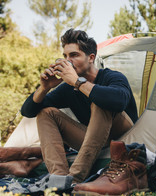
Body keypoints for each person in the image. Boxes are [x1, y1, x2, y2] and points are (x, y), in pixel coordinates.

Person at [21, 29, 138, 184]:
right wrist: (44, 88)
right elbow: (28, 112)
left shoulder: (112, 76)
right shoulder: (67, 88)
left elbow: (119, 101)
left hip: (124, 137)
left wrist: (77, 82)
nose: (68, 61)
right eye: (65, 56)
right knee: (46, 113)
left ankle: (74, 179)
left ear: (91, 58)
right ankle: (59, 178)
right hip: (94, 139)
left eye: (74, 55)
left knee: (100, 101)